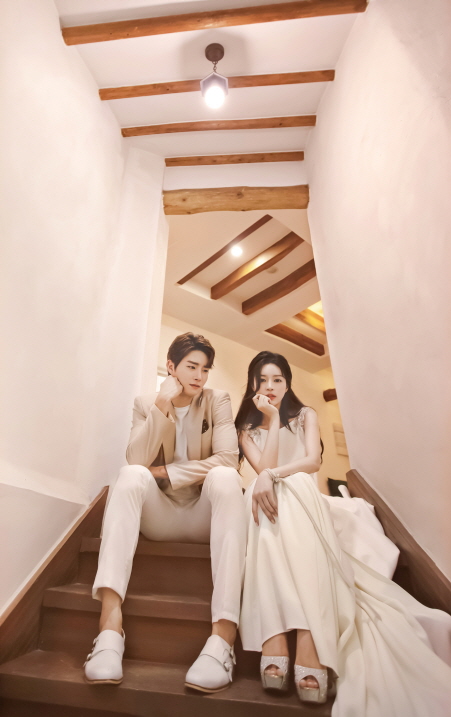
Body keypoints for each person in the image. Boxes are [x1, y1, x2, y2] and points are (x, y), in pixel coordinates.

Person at [236, 350, 451, 715]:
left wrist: (272, 475)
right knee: (263, 496)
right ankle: (281, 636)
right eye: (263, 380)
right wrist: (270, 423)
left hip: (302, 497)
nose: (270, 386)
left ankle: (303, 637)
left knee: (297, 484)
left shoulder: (306, 414)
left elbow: (311, 462)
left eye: (278, 379)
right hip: (268, 501)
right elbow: (263, 470)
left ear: (288, 384)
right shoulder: (245, 428)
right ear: (252, 384)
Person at [83, 332, 246, 693]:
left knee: (225, 477)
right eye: (191, 366)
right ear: (171, 367)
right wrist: (161, 404)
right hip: (161, 517)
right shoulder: (146, 403)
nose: (200, 376)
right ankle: (109, 629)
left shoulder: (217, 400)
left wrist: (166, 472)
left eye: (205, 369)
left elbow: (227, 459)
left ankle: (223, 638)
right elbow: (136, 459)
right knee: (130, 474)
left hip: (203, 516)